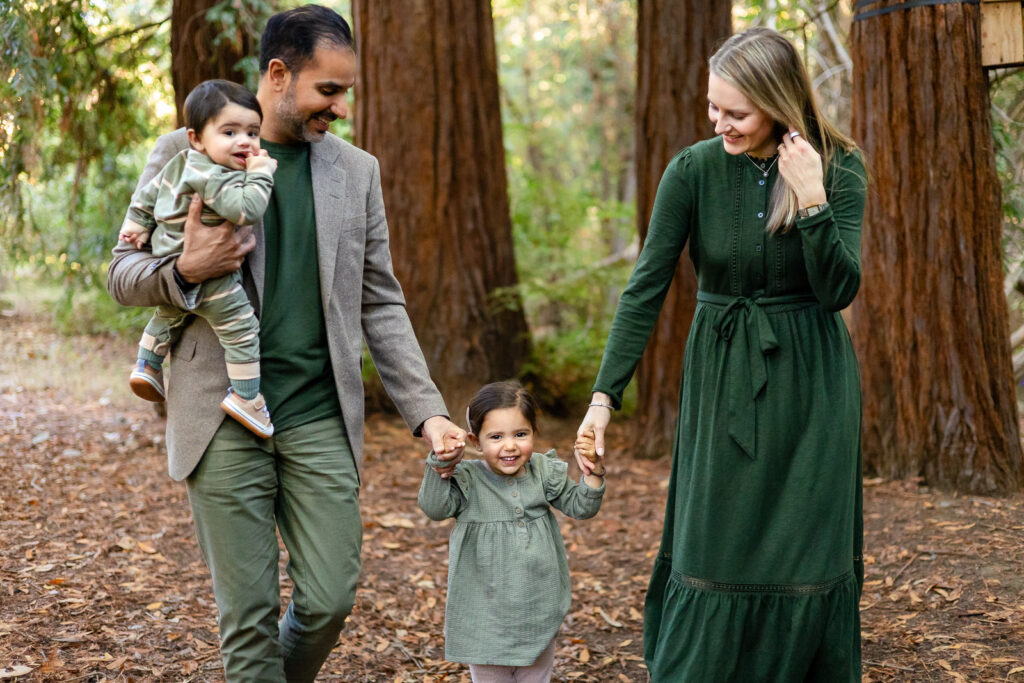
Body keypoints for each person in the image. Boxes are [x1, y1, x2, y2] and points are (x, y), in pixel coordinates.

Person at [106, 5, 467, 681]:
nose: (338, 106)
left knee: (329, 598)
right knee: (247, 623)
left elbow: (380, 300)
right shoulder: (184, 154)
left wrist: (429, 410)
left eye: (345, 92)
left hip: (317, 416)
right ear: (279, 74)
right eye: (327, 90)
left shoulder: (357, 172)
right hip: (219, 415)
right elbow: (122, 275)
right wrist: (186, 269)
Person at [574, 27, 867, 682]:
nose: (719, 122)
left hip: (814, 385)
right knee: (714, 540)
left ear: (778, 101)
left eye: (735, 112)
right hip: (723, 371)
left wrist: (812, 199)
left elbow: (838, 289)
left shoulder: (838, 165)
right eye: (713, 108)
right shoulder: (693, 169)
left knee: (807, 548)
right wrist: (602, 399)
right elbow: (645, 287)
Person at [119, 79, 278, 437]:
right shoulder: (213, 174)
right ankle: (246, 397)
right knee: (241, 329)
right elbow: (245, 209)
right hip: (212, 278)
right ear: (196, 138)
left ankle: (147, 363)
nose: (245, 142)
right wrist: (261, 174)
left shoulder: (180, 164)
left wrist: (136, 227)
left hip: (169, 256)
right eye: (230, 132)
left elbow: (147, 196)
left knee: (170, 312)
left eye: (253, 132)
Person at [418, 382, 606, 683]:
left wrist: (593, 471)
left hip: (536, 606)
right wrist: (440, 462)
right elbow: (434, 508)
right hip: (485, 613)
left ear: (533, 432)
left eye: (521, 434)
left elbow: (581, 506)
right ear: (475, 441)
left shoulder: (542, 471)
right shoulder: (466, 477)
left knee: (536, 674)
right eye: (496, 436)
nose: (510, 446)